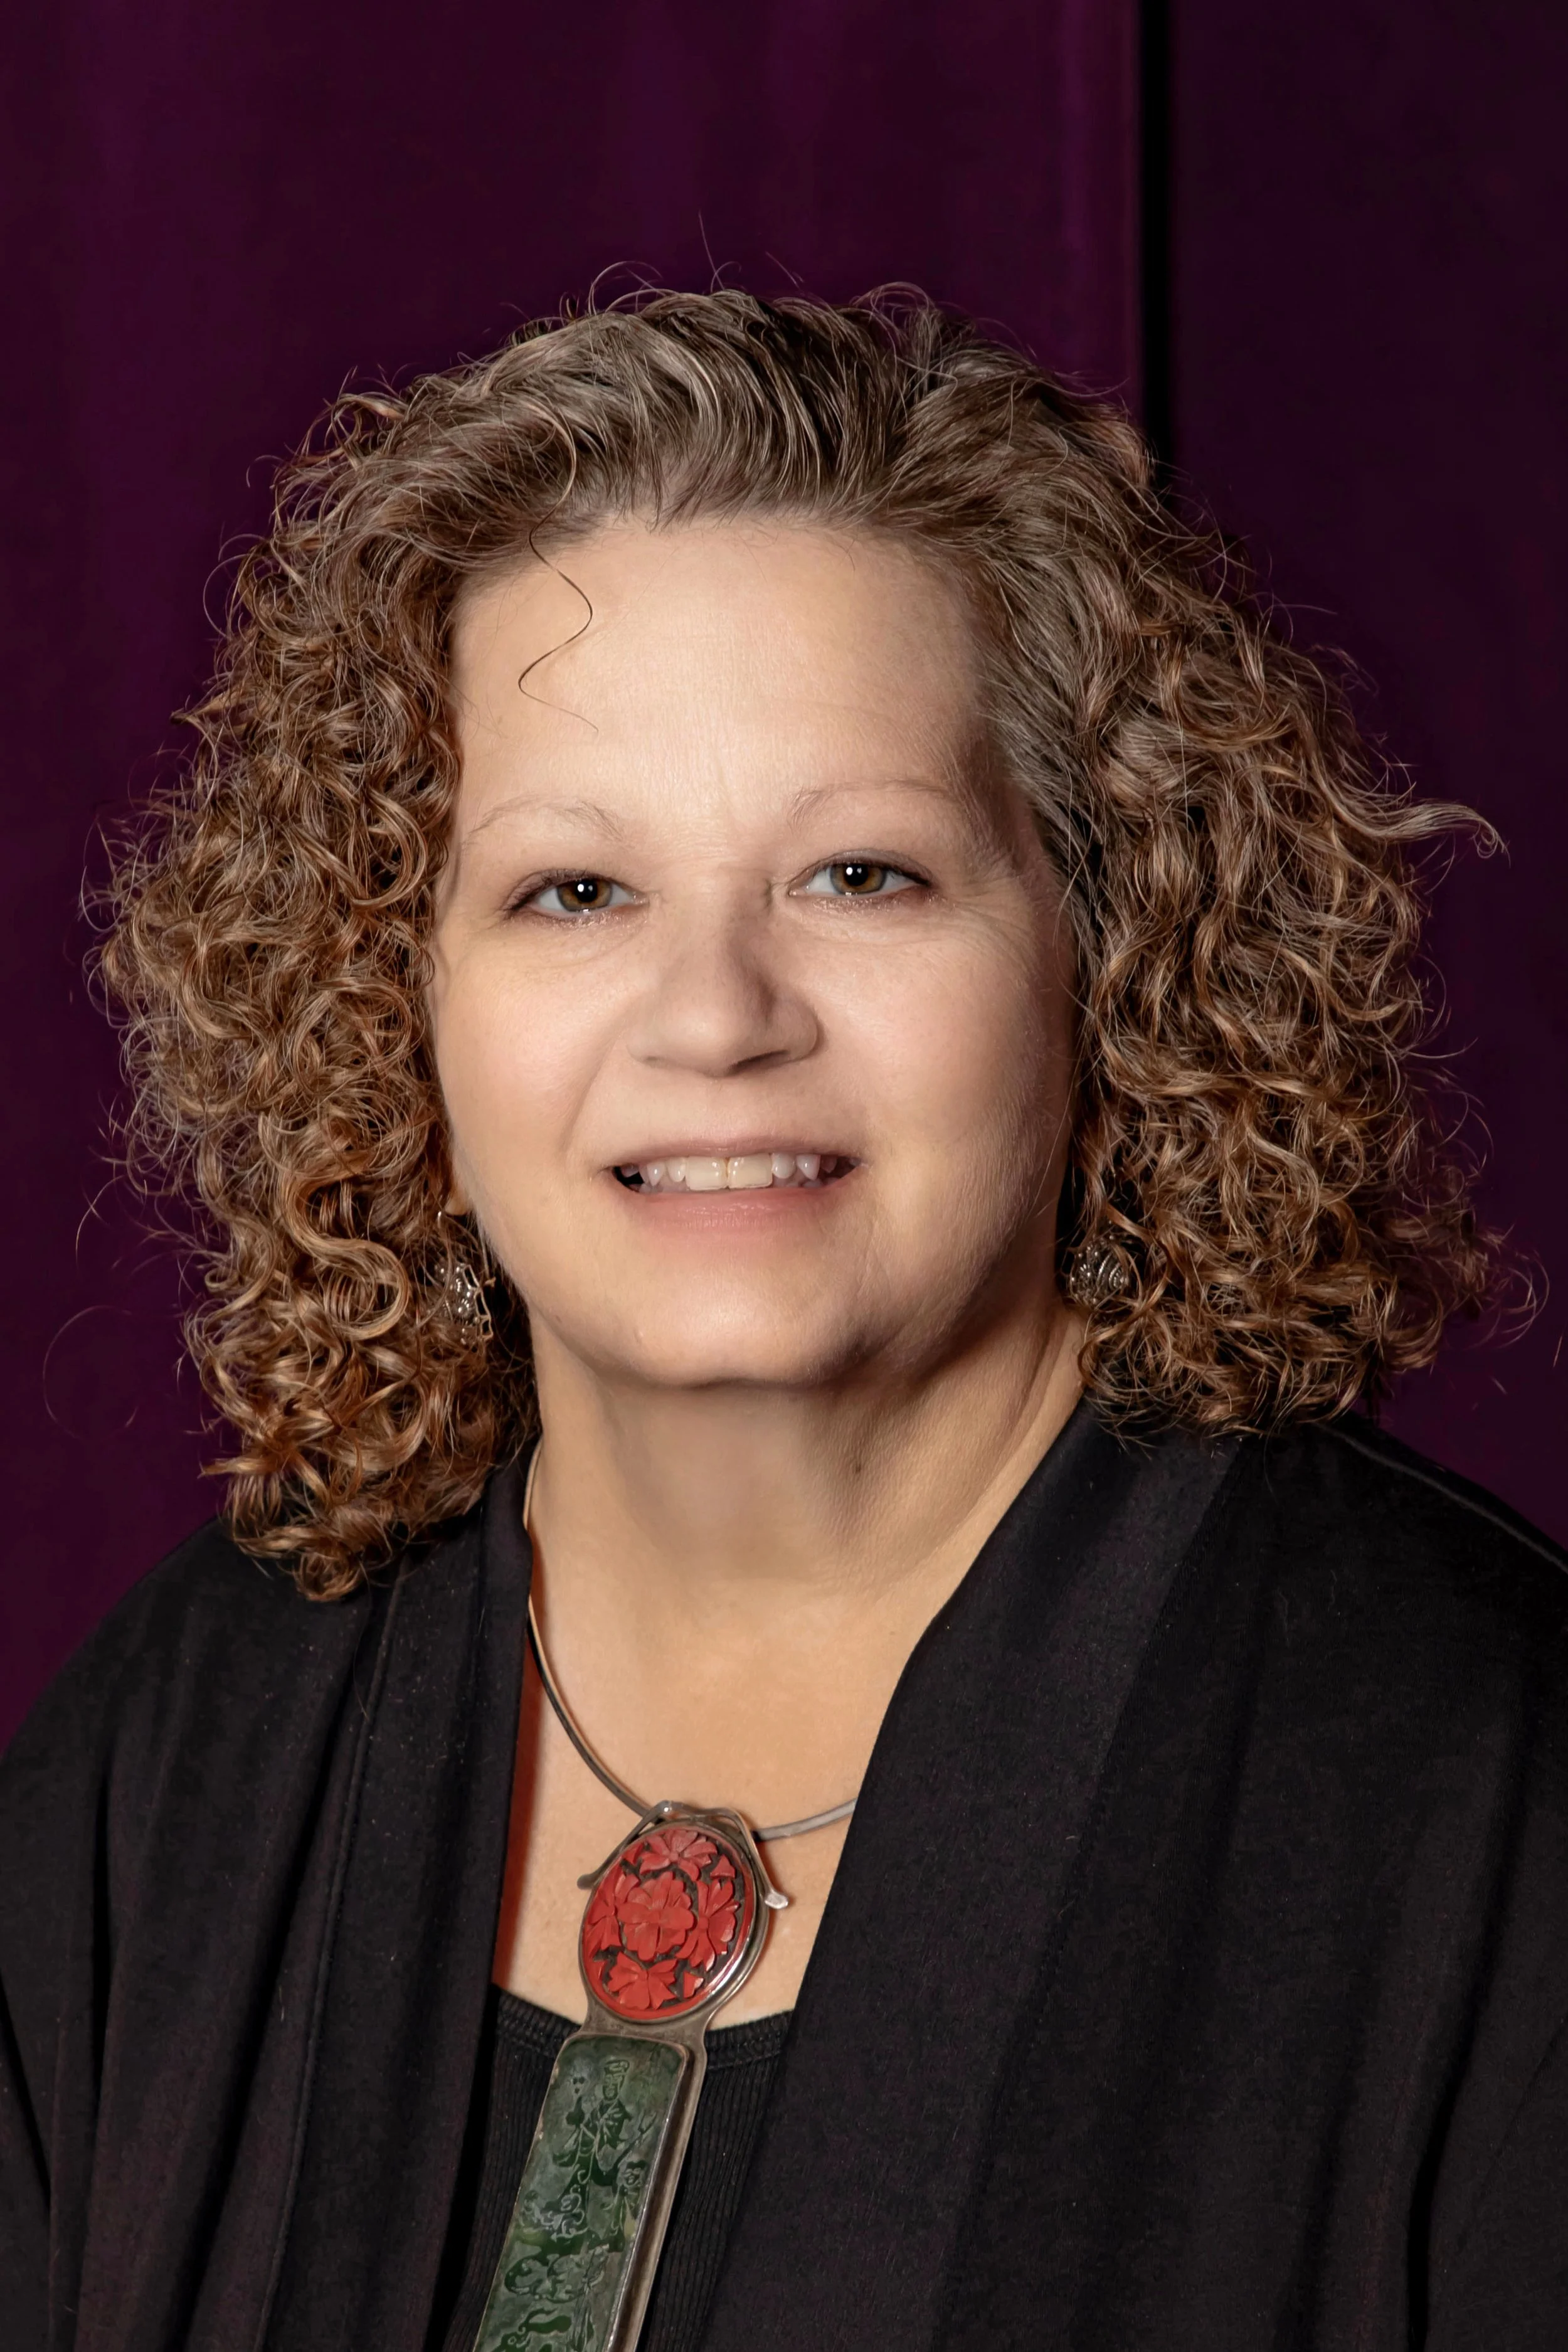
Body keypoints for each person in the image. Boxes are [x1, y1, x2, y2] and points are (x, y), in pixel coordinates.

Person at [2, 289, 1564, 2352]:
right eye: (572, 891)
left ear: (1105, 945)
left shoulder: (1489, 1797)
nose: (719, 1016)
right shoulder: (183, 1750)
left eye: (861, 873)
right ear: (396, 992)